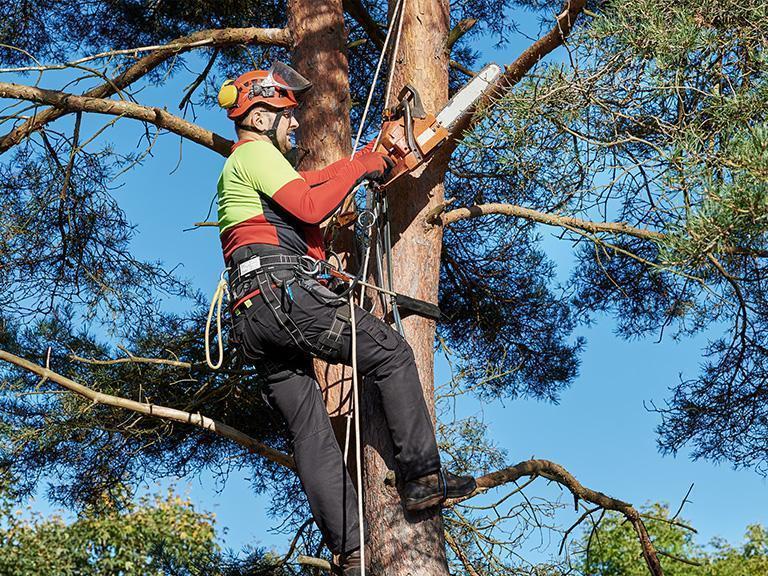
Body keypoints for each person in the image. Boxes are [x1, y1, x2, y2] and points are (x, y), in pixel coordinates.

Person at [216, 62, 476, 575]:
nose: (294, 125)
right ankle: (422, 478)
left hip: (253, 316)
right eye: (287, 116)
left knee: (310, 431)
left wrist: (368, 161)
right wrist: (362, 165)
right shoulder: (255, 154)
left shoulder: (249, 172)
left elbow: (308, 190)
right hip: (281, 297)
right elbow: (311, 205)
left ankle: (352, 551)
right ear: (262, 114)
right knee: (391, 353)